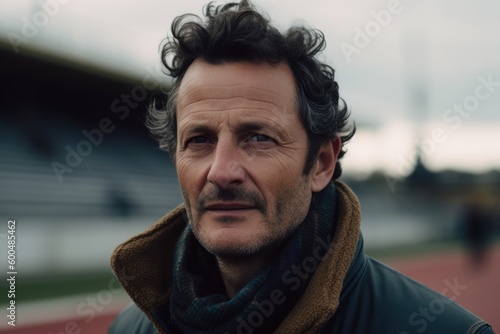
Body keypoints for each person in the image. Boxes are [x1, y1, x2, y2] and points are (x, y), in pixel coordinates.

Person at [108, 1, 495, 333]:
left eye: (258, 138)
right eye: (199, 140)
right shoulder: (130, 328)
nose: (222, 172)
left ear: (321, 164)